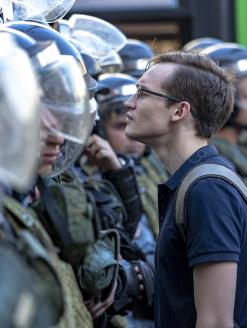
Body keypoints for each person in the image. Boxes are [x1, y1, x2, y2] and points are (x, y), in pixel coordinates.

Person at [125, 51, 247, 328]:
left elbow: (216, 322)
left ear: (179, 111)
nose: (128, 103)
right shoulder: (196, 182)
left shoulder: (208, 190)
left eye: (142, 93)